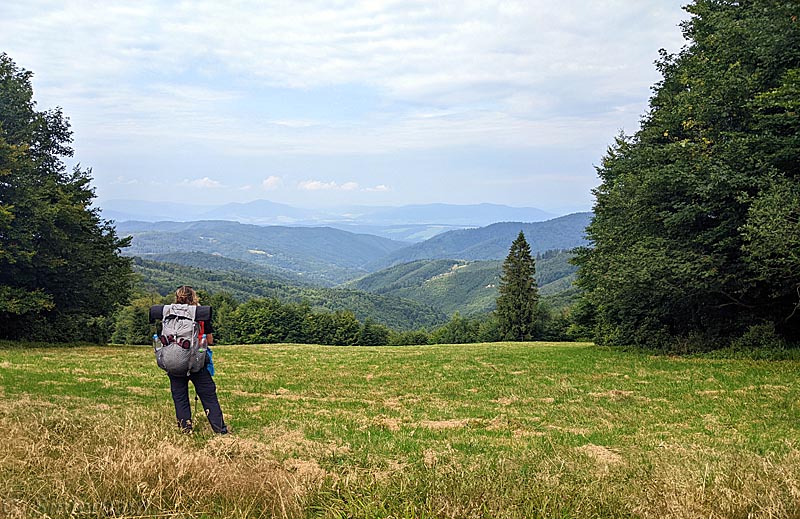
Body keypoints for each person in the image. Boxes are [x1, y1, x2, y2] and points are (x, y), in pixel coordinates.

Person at [167, 285, 228, 434]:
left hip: (175, 360)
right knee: (208, 396)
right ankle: (220, 431)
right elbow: (210, 340)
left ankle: (185, 430)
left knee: (180, 397)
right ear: (194, 297)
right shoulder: (200, 313)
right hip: (197, 361)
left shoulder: (168, 313)